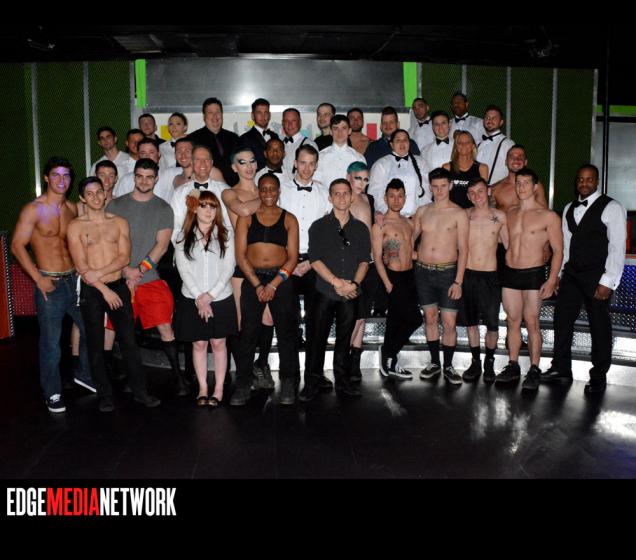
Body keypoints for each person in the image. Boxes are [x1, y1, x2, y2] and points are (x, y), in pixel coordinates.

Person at [66, 177, 160, 412]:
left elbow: (124, 258)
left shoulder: (119, 222)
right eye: (90, 194)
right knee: (95, 342)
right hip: (93, 290)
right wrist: (103, 288)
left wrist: (100, 276)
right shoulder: (75, 226)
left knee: (129, 340)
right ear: (82, 198)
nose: (96, 197)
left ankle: (140, 392)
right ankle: (104, 395)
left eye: (99, 192)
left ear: (105, 193)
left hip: (117, 286)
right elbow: (81, 265)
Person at [11, 157, 94, 412]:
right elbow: (17, 245)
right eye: (56, 175)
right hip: (51, 284)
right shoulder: (34, 209)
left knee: (91, 329)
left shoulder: (72, 208)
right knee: (51, 343)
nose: (61, 180)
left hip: (75, 281)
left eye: (66, 175)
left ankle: (84, 375)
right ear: (46, 177)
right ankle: (52, 392)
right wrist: (38, 279)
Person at [541, 164, 627, 395]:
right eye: (581, 179)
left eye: (589, 179)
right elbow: (566, 245)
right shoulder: (569, 208)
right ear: (576, 182)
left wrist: (608, 281)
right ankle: (561, 368)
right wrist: (559, 274)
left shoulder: (612, 207)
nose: (585, 183)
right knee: (562, 321)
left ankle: (598, 376)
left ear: (597, 181)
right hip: (571, 275)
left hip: (597, 276)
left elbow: (617, 247)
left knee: (599, 326)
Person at [108, 159, 189, 397]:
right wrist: (125, 270)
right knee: (118, 330)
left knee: (165, 326)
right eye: (140, 176)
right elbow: (108, 242)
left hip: (149, 277)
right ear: (134, 177)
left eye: (149, 177)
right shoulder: (115, 205)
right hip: (119, 277)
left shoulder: (163, 208)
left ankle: (178, 377)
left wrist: (138, 271)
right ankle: (125, 376)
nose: (144, 181)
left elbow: (162, 246)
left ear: (156, 179)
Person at [230, 173, 301, 406]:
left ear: (279, 191)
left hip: (280, 280)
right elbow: (241, 257)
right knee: (248, 333)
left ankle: (289, 382)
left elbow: (292, 258)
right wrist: (258, 284)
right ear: (258, 192)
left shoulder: (289, 219)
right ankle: (243, 385)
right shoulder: (246, 219)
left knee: (286, 333)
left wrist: (273, 284)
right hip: (253, 279)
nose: (268, 193)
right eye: (264, 189)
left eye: (272, 189)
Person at [299, 179, 370, 401]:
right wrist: (336, 282)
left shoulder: (361, 229)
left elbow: (364, 261)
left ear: (351, 197)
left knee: (344, 340)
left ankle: (343, 380)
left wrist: (354, 285)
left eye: (345, 193)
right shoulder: (318, 226)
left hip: (350, 292)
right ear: (330, 198)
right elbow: (315, 259)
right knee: (316, 339)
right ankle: (312, 382)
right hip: (324, 291)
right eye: (336, 193)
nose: (341, 197)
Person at [495, 167, 563, 391]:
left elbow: (558, 250)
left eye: (526, 183)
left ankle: (534, 369)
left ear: (535, 187)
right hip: (510, 272)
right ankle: (513, 365)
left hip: (533, 273)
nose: (521, 186)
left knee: (532, 321)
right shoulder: (509, 213)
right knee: (512, 320)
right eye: (518, 182)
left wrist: (551, 279)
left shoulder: (548, 216)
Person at [174, 188, 237, 407]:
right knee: (199, 344)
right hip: (192, 298)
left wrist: (210, 296)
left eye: (213, 206)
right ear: (194, 208)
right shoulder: (182, 236)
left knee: (219, 343)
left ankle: (218, 389)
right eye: (203, 205)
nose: (209, 211)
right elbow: (183, 269)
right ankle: (202, 388)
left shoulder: (226, 234)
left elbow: (228, 268)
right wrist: (199, 297)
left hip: (220, 297)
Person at [221, 148, 275, 390]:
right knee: (243, 321)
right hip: (242, 263)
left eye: (252, 161)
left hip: (268, 262)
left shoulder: (265, 188)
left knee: (268, 317)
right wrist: (268, 197)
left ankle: (261, 365)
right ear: (234, 167)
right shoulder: (229, 192)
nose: (249, 166)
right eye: (242, 162)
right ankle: (244, 370)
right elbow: (242, 211)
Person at [278, 144, 331, 386]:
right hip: (285, 260)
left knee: (317, 322)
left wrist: (311, 261)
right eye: (302, 162)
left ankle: (314, 375)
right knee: (287, 321)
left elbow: (328, 233)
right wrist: (289, 261)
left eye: (311, 163)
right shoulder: (281, 190)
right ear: (295, 163)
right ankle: (289, 377)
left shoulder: (324, 193)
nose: (307, 168)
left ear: (316, 165)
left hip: (314, 261)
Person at [414, 167, 469, 385]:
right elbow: (409, 239)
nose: (439, 190)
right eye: (435, 186)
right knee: (429, 318)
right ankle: (435, 362)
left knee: (449, 322)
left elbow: (464, 249)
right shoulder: (422, 211)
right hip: (423, 272)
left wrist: (458, 281)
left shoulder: (459, 213)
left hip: (448, 273)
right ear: (430, 187)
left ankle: (448, 365)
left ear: (450, 186)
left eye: (443, 186)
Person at [460, 179, 508, 383]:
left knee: (492, 325)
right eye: (472, 193)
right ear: (467, 196)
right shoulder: (464, 215)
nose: (476, 196)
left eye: (480, 191)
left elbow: (509, 247)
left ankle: (489, 362)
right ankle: (475, 362)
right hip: (467, 274)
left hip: (490, 276)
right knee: (471, 323)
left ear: (488, 191)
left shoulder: (500, 216)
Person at [373, 179, 421, 379]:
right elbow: (377, 257)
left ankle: (390, 362)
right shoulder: (380, 225)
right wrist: (387, 282)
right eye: (392, 196)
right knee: (414, 319)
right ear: (385, 198)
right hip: (392, 276)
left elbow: (410, 251)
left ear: (405, 198)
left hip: (409, 276)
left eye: (400, 196)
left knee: (396, 320)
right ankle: (388, 352)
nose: (396, 200)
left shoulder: (409, 223)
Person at [347, 162, 377, 381]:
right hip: (350, 266)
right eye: (358, 178)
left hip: (370, 264)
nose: (362, 183)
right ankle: (345, 360)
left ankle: (354, 362)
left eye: (366, 180)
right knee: (353, 317)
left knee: (362, 316)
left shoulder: (369, 200)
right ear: (349, 177)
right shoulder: (342, 199)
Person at [368, 129, 431, 218]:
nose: (402, 143)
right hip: (390, 218)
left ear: (409, 143)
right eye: (398, 140)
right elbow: (375, 192)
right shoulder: (381, 164)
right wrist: (389, 214)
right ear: (391, 144)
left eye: (405, 140)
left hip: (416, 217)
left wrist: (419, 214)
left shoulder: (421, 162)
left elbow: (427, 190)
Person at [187, 97, 240, 185]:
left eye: (218, 112)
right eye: (210, 112)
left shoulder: (234, 138)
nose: (215, 116)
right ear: (204, 117)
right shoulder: (192, 139)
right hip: (206, 189)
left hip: (234, 188)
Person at [113, 138, 181, 203]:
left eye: (151, 152)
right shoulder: (126, 180)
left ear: (159, 154)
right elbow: (119, 205)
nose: (147, 156)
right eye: (143, 153)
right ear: (138, 156)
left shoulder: (170, 174)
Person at [315, 114, 366, 189]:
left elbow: (361, 187)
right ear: (330, 131)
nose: (340, 132)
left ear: (349, 131)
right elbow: (316, 184)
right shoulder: (320, 157)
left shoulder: (358, 158)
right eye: (335, 128)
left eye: (344, 128)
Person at [490, 145, 548, 211]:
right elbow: (488, 214)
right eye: (512, 157)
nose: (516, 159)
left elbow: (544, 213)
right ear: (506, 162)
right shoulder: (495, 189)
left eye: (520, 157)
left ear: (525, 162)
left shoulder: (535, 186)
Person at [442, 131, 488, 208]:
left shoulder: (482, 168)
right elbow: (443, 195)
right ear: (456, 146)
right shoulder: (447, 168)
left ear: (473, 146)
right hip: (452, 212)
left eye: (467, 142)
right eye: (460, 143)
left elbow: (483, 197)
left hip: (473, 212)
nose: (463, 145)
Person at [476, 105, 516, 185]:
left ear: (501, 122)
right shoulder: (479, 144)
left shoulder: (508, 144)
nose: (490, 120)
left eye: (494, 118)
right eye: (487, 117)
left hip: (498, 190)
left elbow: (514, 170)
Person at [239, 98, 279, 170]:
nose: (263, 116)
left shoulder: (275, 136)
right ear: (252, 115)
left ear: (269, 115)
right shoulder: (244, 139)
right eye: (259, 113)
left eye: (265, 112)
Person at [280, 107, 318, 177]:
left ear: (300, 122)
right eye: (286, 121)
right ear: (282, 123)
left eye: (293, 121)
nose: (290, 124)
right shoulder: (279, 144)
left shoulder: (309, 144)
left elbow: (315, 173)